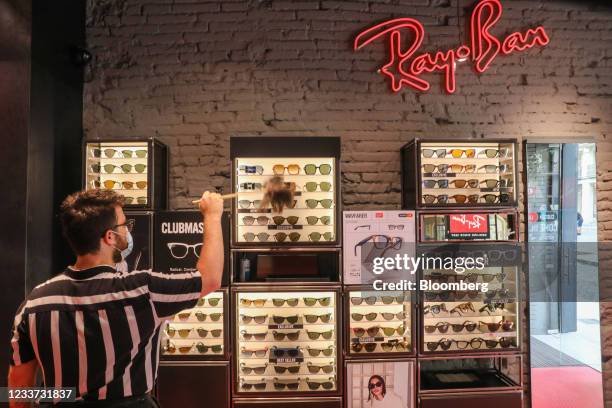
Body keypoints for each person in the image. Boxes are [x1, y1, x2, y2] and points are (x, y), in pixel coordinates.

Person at [8, 189, 224, 407]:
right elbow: (210, 279)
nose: (127, 230)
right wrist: (213, 216)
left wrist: (62, 397)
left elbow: (18, 391)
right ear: (109, 237)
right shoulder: (142, 290)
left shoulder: (34, 304)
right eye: (123, 225)